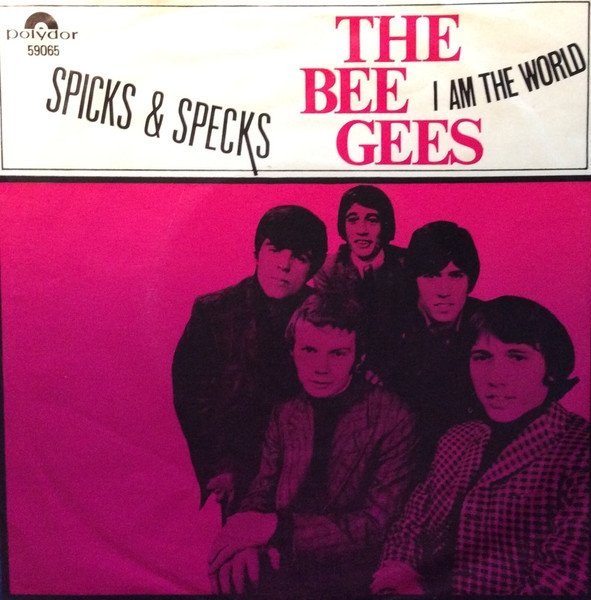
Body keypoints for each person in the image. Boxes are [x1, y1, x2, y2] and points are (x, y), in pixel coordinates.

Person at [372, 296, 589, 596]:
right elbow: (409, 526)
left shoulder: (580, 451)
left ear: (551, 369)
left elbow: (562, 582)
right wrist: (396, 579)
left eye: (517, 357)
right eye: (482, 357)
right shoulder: (458, 438)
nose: (495, 378)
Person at [208, 291, 416, 597]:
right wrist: (245, 543)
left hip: (350, 574)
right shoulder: (286, 413)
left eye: (337, 354)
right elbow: (261, 491)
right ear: (292, 352)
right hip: (277, 559)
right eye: (309, 350)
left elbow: (376, 524)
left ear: (358, 358)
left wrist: (276, 530)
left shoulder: (392, 416)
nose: (321, 367)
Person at [172, 205, 327, 514]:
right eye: (276, 249)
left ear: (312, 268)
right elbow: (191, 397)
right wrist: (219, 466)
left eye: (300, 257)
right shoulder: (214, 312)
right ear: (258, 251)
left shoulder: (327, 314)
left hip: (310, 471)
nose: (284, 265)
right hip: (235, 471)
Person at [387, 220, 484, 480]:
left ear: (470, 279)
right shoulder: (386, 329)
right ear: (414, 280)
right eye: (431, 276)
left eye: (456, 275)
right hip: (402, 463)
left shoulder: (488, 324)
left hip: (469, 463)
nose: (444, 291)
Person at [314, 185, 406, 378]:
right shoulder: (328, 269)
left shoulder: (407, 265)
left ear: (385, 225)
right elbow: (329, 329)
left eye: (372, 220)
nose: (362, 231)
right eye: (353, 220)